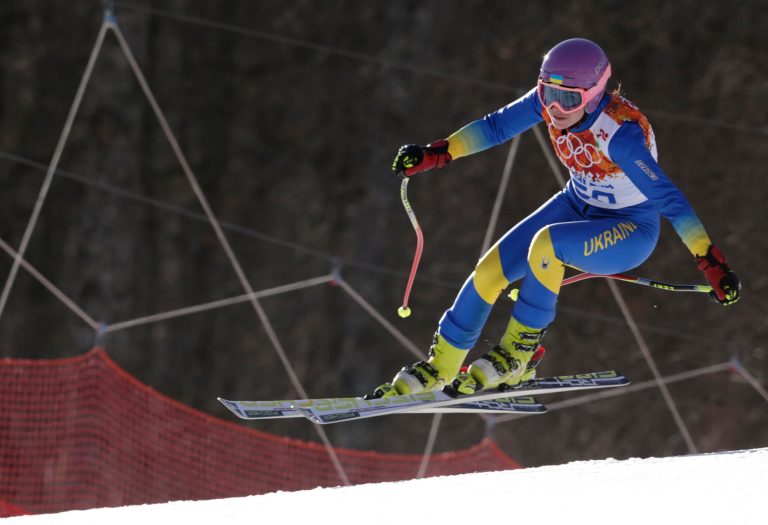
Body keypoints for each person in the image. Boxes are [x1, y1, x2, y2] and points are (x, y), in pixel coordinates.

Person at [373, 38, 740, 398]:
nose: (554, 108)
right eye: (546, 93)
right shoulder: (551, 102)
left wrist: (710, 261)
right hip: (575, 203)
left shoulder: (620, 136)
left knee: (547, 245)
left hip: (629, 227)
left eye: (568, 99)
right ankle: (442, 366)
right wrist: (438, 153)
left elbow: (668, 199)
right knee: (488, 272)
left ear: (594, 95)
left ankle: (519, 355)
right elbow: (495, 127)